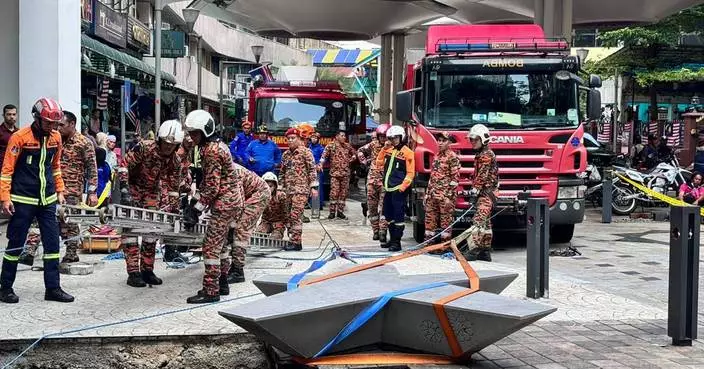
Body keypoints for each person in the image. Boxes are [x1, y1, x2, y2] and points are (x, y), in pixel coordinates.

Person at [0, 97, 73, 303]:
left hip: (48, 200)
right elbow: (6, 171)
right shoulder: (19, 137)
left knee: (52, 245)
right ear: (37, 118)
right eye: (48, 122)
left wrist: (60, 190)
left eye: (55, 123)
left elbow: (55, 166)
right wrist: (5, 198)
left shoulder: (56, 138)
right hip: (23, 200)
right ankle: (5, 287)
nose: (52, 126)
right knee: (16, 245)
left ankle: (53, 288)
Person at [183, 110, 244, 303]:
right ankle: (222, 282)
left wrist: (195, 209)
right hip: (232, 201)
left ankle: (211, 291)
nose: (191, 137)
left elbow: (211, 186)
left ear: (205, 131)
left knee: (210, 248)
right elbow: (207, 183)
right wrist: (195, 202)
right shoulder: (217, 146)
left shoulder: (211, 151)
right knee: (222, 245)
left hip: (225, 204)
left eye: (194, 133)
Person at [117, 119, 184, 288]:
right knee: (131, 231)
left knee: (151, 231)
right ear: (160, 139)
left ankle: (147, 269)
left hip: (152, 193)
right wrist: (124, 190)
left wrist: (174, 208)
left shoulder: (175, 161)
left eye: (173, 145)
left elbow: (173, 185)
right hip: (132, 189)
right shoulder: (144, 147)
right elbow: (124, 165)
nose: (169, 147)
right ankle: (133, 273)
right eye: (166, 143)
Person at [224, 163, 271, 284]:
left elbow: (237, 203)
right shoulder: (219, 169)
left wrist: (232, 226)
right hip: (248, 194)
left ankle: (238, 271)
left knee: (241, 230)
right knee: (234, 226)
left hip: (260, 194)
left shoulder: (234, 172)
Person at [376, 125, 414, 252]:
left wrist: (402, 188)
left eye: (396, 138)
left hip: (398, 190)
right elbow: (379, 163)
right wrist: (383, 149)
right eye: (391, 138)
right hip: (388, 189)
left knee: (398, 218)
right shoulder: (389, 150)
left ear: (401, 137)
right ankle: (391, 240)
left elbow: (410, 173)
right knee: (389, 217)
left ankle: (397, 243)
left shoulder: (408, 153)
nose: (393, 141)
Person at [279, 127, 318, 251]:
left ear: (299, 139)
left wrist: (314, 187)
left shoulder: (306, 152)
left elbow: (312, 170)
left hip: (301, 189)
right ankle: (293, 239)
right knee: (289, 215)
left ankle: (296, 242)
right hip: (288, 190)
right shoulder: (285, 154)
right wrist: (280, 188)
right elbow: (282, 172)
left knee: (296, 215)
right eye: (288, 139)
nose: (290, 141)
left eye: (293, 138)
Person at [466, 124, 499, 262]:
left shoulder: (486, 155)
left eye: (475, 139)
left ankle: (472, 251)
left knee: (478, 221)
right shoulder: (482, 154)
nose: (472, 142)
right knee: (486, 224)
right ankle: (485, 252)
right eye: (471, 139)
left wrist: (474, 190)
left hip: (487, 193)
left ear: (483, 139)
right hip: (486, 193)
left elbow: (483, 175)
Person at [424, 131, 461, 244]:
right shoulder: (437, 156)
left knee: (445, 223)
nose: (440, 143)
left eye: (443, 141)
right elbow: (432, 176)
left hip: (445, 196)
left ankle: (445, 246)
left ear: (449, 142)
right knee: (430, 221)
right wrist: (427, 193)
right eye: (439, 141)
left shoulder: (453, 157)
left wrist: (448, 197)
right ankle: (429, 244)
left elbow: (455, 180)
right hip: (433, 195)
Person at [357, 124, 389, 243]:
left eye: (384, 136)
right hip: (372, 181)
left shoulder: (392, 148)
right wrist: (364, 163)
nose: (382, 139)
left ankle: (382, 231)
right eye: (380, 136)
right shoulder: (373, 145)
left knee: (383, 208)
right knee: (372, 207)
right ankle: (375, 231)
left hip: (384, 183)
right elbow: (360, 151)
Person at [319, 131, 356, 219]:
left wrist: (352, 158)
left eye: (344, 136)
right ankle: (332, 212)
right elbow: (324, 156)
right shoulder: (331, 145)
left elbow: (354, 153)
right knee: (334, 193)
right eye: (342, 136)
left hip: (345, 174)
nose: (344, 137)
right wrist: (320, 164)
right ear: (337, 136)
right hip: (335, 174)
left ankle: (340, 211)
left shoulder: (347, 146)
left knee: (343, 194)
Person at [257, 172, 289, 240]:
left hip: (278, 222)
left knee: (274, 239)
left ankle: (277, 233)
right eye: (266, 186)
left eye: (271, 186)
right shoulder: (259, 196)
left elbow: (286, 212)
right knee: (258, 236)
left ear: (275, 187)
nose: (269, 188)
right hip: (266, 222)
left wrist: (289, 227)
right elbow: (255, 212)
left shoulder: (281, 196)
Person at [0, 104, 18, 169]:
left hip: (16, 169)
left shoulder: (19, 133)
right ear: (3, 115)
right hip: (2, 169)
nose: (12, 117)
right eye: (9, 114)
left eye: (14, 114)